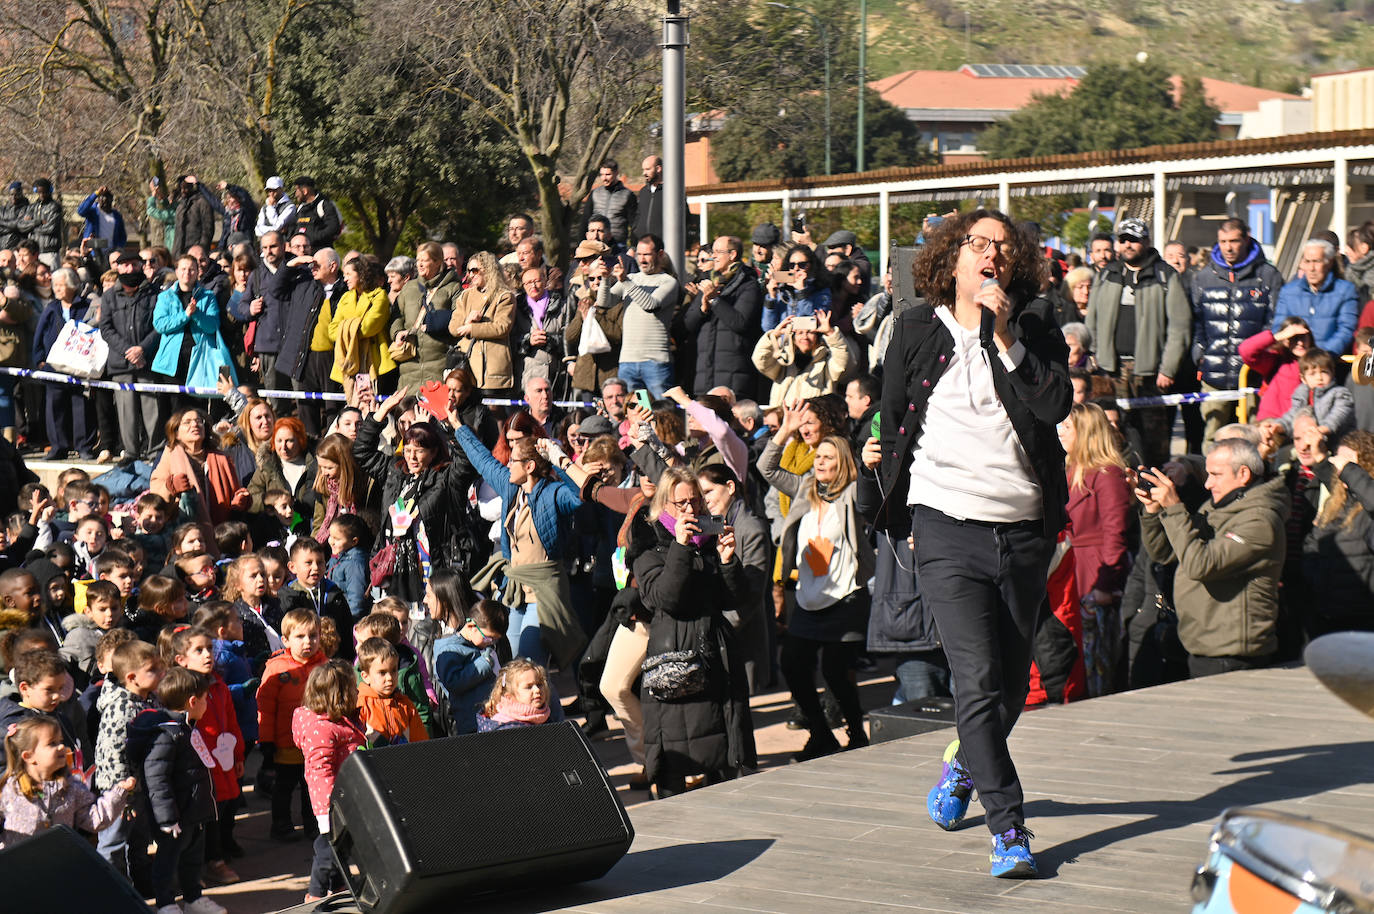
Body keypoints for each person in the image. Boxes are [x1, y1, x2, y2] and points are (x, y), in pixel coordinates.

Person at [874, 209, 1071, 878]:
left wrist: (1007, 334)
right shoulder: (914, 327)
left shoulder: (1034, 325)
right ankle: (1009, 826)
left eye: (1003, 247)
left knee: (1012, 685)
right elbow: (895, 411)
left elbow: (1054, 407)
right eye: (977, 244)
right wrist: (882, 461)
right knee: (978, 680)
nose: (992, 254)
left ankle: (964, 762)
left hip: (1021, 526)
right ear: (951, 260)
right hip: (943, 522)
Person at [631, 466, 755, 798]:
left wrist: (728, 562)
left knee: (726, 746)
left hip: (717, 654)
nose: (691, 509)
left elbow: (735, 599)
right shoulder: (648, 547)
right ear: (664, 504)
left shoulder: (709, 539)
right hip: (676, 658)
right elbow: (667, 598)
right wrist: (682, 547)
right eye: (681, 503)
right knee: (676, 749)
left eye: (695, 501)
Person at [759, 408, 873, 759]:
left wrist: (868, 466)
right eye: (818, 456)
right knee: (793, 666)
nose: (820, 462)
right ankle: (822, 733)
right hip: (808, 599)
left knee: (836, 672)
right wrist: (786, 431)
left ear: (843, 462)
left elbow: (873, 491)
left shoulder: (854, 493)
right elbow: (766, 468)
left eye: (827, 457)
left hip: (845, 598)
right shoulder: (805, 487)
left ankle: (856, 735)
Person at [1137, 437, 1288, 678]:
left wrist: (1175, 508)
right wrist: (1154, 512)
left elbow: (1200, 565)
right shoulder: (1217, 507)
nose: (1208, 484)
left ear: (1243, 474)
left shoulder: (1260, 521)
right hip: (1203, 643)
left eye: (1216, 475)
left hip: (1232, 652)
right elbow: (1164, 553)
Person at [451, 418, 583, 669]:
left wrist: (559, 459)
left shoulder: (553, 494)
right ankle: (547, 710)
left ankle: (545, 708)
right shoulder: (513, 489)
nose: (508, 464)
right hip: (515, 591)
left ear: (530, 465)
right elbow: (483, 461)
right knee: (515, 666)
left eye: (513, 460)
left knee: (529, 665)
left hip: (543, 594)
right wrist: (457, 423)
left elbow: (579, 493)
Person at [1083, 217, 1191, 468]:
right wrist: (1094, 354)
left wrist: (1168, 368)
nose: (1128, 244)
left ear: (1146, 241)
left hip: (1151, 373)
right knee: (1112, 435)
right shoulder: (1107, 274)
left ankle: (1155, 491)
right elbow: (1093, 318)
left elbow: (1180, 326)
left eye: (1133, 239)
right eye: (1123, 240)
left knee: (1153, 441)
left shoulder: (1166, 276)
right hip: (1110, 370)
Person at [130, 666, 226, 914]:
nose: (207, 704)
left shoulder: (187, 728)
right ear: (193, 701)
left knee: (193, 859)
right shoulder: (167, 734)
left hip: (193, 813)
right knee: (168, 861)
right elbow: (156, 778)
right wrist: (167, 818)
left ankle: (193, 898)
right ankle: (166, 903)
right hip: (175, 816)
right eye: (205, 700)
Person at [1192, 218, 1284, 448]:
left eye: (1234, 241)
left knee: (1258, 438)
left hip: (1254, 373)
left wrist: (1261, 356)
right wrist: (1201, 353)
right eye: (1223, 241)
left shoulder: (1268, 275)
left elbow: (1275, 322)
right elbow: (1196, 322)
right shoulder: (1203, 277)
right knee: (1213, 438)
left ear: (1246, 239)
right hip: (1214, 373)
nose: (1228, 247)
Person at [162, 625, 243, 885]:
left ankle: (220, 852)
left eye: (209, 648)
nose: (207, 654)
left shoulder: (219, 685)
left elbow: (231, 723)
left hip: (223, 759)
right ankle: (207, 863)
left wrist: (238, 754)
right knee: (204, 814)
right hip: (198, 765)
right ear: (181, 660)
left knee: (225, 806)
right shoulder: (180, 692)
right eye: (199, 650)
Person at [291, 659, 364, 903]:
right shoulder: (323, 729)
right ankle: (316, 893)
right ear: (339, 695)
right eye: (353, 688)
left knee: (339, 846)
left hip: (346, 796)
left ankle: (338, 884)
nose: (357, 691)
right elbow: (320, 772)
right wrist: (326, 811)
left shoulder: (340, 720)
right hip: (332, 803)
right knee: (328, 850)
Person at [1, 715, 132, 849]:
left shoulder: (71, 787)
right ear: (28, 756)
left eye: (60, 741)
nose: (61, 747)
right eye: (52, 743)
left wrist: (118, 793)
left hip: (57, 861)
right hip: (19, 863)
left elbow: (95, 819)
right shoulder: (11, 789)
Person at [256, 608, 326, 841]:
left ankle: (313, 823)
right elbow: (265, 709)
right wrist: (266, 740)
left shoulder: (325, 666)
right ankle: (281, 824)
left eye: (313, 636)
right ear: (285, 639)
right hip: (285, 740)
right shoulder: (277, 668)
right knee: (284, 786)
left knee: (311, 787)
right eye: (300, 637)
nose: (308, 642)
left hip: (316, 742)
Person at [1299, 428, 1374, 635]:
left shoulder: (1367, 507)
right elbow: (1312, 544)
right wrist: (1318, 581)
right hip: (1329, 616)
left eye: (1349, 463)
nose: (1341, 469)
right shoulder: (1337, 503)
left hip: (1365, 619)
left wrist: (1350, 472)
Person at [684, 236, 763, 400]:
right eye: (713, 252)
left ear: (733, 255)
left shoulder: (749, 284)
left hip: (734, 376)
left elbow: (740, 322)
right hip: (704, 375)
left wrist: (715, 300)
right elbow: (688, 324)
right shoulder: (708, 281)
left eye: (718, 252)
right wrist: (703, 309)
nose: (714, 256)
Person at [600, 234, 679, 399]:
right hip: (628, 360)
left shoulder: (668, 282)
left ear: (660, 254)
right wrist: (605, 279)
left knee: (661, 414)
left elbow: (650, 305)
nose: (642, 259)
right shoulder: (632, 278)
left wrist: (625, 281)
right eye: (639, 254)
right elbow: (605, 302)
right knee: (635, 413)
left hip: (656, 362)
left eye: (647, 255)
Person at [32, 267, 96, 459]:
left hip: (79, 365)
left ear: (72, 286)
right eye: (55, 285)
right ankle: (58, 447)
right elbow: (40, 334)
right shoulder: (52, 308)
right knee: (55, 407)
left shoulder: (86, 305)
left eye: (61, 285)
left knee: (81, 405)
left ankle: (84, 447)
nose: (57, 289)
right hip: (54, 366)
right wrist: (39, 360)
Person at [151, 409, 251, 528]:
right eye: (187, 422)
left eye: (199, 421)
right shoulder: (169, 457)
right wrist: (170, 487)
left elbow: (234, 496)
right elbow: (155, 499)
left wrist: (241, 502)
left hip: (220, 532)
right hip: (182, 533)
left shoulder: (222, 459)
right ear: (176, 433)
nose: (195, 424)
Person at [390, 241, 462, 394]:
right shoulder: (408, 288)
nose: (419, 264)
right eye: (418, 260)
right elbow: (396, 317)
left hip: (438, 366)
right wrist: (397, 333)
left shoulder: (453, 288)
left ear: (437, 262)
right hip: (409, 366)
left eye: (425, 260)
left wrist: (438, 323)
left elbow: (459, 318)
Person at [1273, 238, 1359, 356]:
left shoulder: (1346, 290)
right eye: (1307, 261)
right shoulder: (1288, 291)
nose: (1312, 268)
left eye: (1317, 261)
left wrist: (1320, 357)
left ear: (1329, 263)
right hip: (1293, 363)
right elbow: (1278, 328)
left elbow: (1346, 330)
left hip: (1328, 363)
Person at [448, 251, 516, 394]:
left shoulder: (504, 296)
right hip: (467, 366)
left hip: (492, 369)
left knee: (494, 412)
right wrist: (467, 321)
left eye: (474, 270)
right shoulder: (465, 296)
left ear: (488, 270)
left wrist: (471, 328)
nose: (470, 275)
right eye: (468, 271)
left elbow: (502, 327)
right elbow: (453, 328)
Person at [752, 309, 850, 407]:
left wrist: (830, 333)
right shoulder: (783, 360)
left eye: (810, 332)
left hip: (815, 418)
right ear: (793, 338)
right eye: (800, 333)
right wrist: (773, 336)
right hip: (783, 418)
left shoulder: (826, 361)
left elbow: (842, 361)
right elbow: (761, 360)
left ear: (818, 336)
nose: (805, 337)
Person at [1240, 317, 1314, 422]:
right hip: (1271, 423)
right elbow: (1246, 351)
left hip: (1302, 425)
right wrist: (1278, 336)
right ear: (1285, 340)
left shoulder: (1317, 362)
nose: (1300, 343)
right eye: (1294, 338)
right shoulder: (1276, 360)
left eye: (1303, 338)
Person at [1279, 348, 1355, 443]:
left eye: (1324, 372)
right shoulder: (1301, 393)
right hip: (1309, 440)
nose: (1319, 378)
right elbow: (1294, 413)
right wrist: (1279, 425)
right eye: (1312, 374)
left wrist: (1322, 429)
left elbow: (1338, 415)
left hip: (1338, 442)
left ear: (1332, 373)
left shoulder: (1340, 393)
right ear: (1303, 378)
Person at [475, 658, 554, 731]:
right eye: (528, 687)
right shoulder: (505, 728)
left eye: (539, 684)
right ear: (509, 697)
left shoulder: (545, 717)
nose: (537, 690)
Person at [582, 160, 636, 248]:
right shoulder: (595, 193)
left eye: (608, 174)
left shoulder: (628, 195)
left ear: (616, 173)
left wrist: (633, 247)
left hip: (618, 244)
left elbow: (634, 224)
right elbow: (585, 220)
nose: (604, 178)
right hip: (595, 242)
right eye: (601, 175)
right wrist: (581, 243)